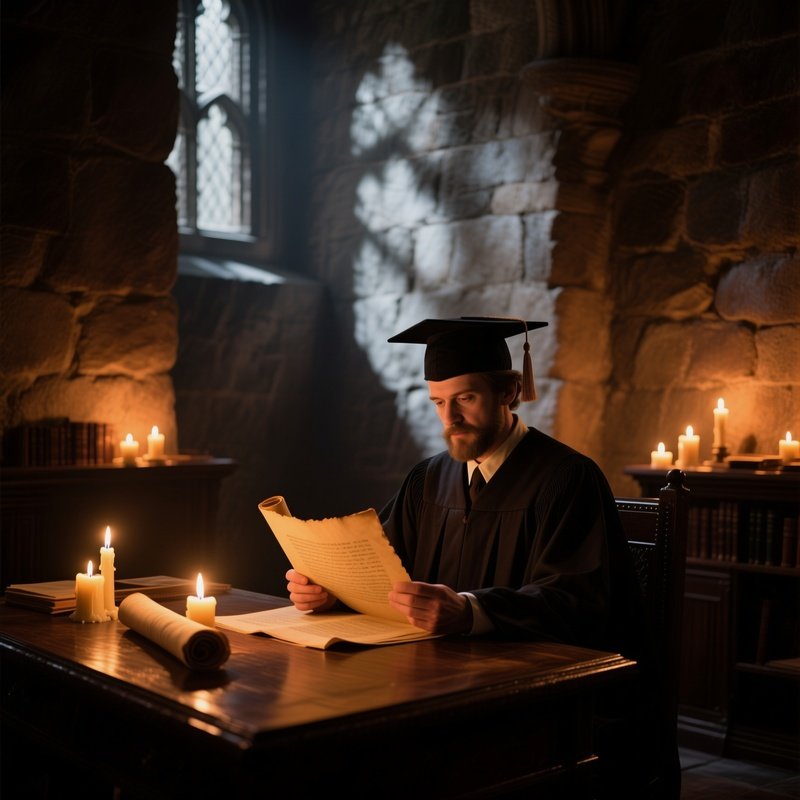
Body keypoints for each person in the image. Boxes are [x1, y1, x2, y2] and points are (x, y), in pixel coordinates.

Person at [286, 315, 672, 799]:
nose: (450, 419)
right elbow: (376, 565)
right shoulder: (428, 479)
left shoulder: (566, 478)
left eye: (465, 398)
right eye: (438, 403)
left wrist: (471, 611)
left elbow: (578, 597)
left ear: (509, 392)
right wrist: (326, 589)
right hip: (436, 686)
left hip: (540, 702)